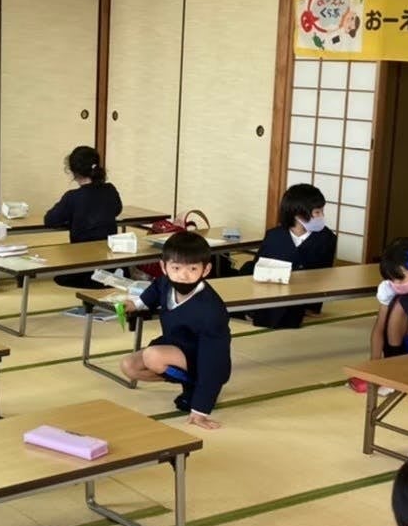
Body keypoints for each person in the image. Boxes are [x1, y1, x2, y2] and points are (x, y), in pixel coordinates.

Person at [119, 231, 232, 429]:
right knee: (129, 366)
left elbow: (214, 363)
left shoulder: (212, 311)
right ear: (164, 267)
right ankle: (191, 384)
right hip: (175, 347)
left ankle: (198, 389)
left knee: (153, 356)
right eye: (176, 267)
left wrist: (200, 410)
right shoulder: (165, 282)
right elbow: (155, 290)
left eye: (193, 268)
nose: (183, 275)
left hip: (204, 359)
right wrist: (135, 304)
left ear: (206, 269)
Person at [243, 182, 338, 329]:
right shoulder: (274, 235)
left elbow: (323, 274)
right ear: (298, 214)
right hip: (271, 290)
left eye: (322, 211)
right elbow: (260, 267)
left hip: (303, 293)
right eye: (317, 212)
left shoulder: (327, 238)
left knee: (286, 317)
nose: (322, 216)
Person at [46, 145, 123, 290]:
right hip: (110, 264)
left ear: (73, 171)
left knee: (60, 277)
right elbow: (117, 210)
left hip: (82, 265)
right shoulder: (110, 190)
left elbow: (50, 220)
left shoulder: (72, 197)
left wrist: (72, 219)